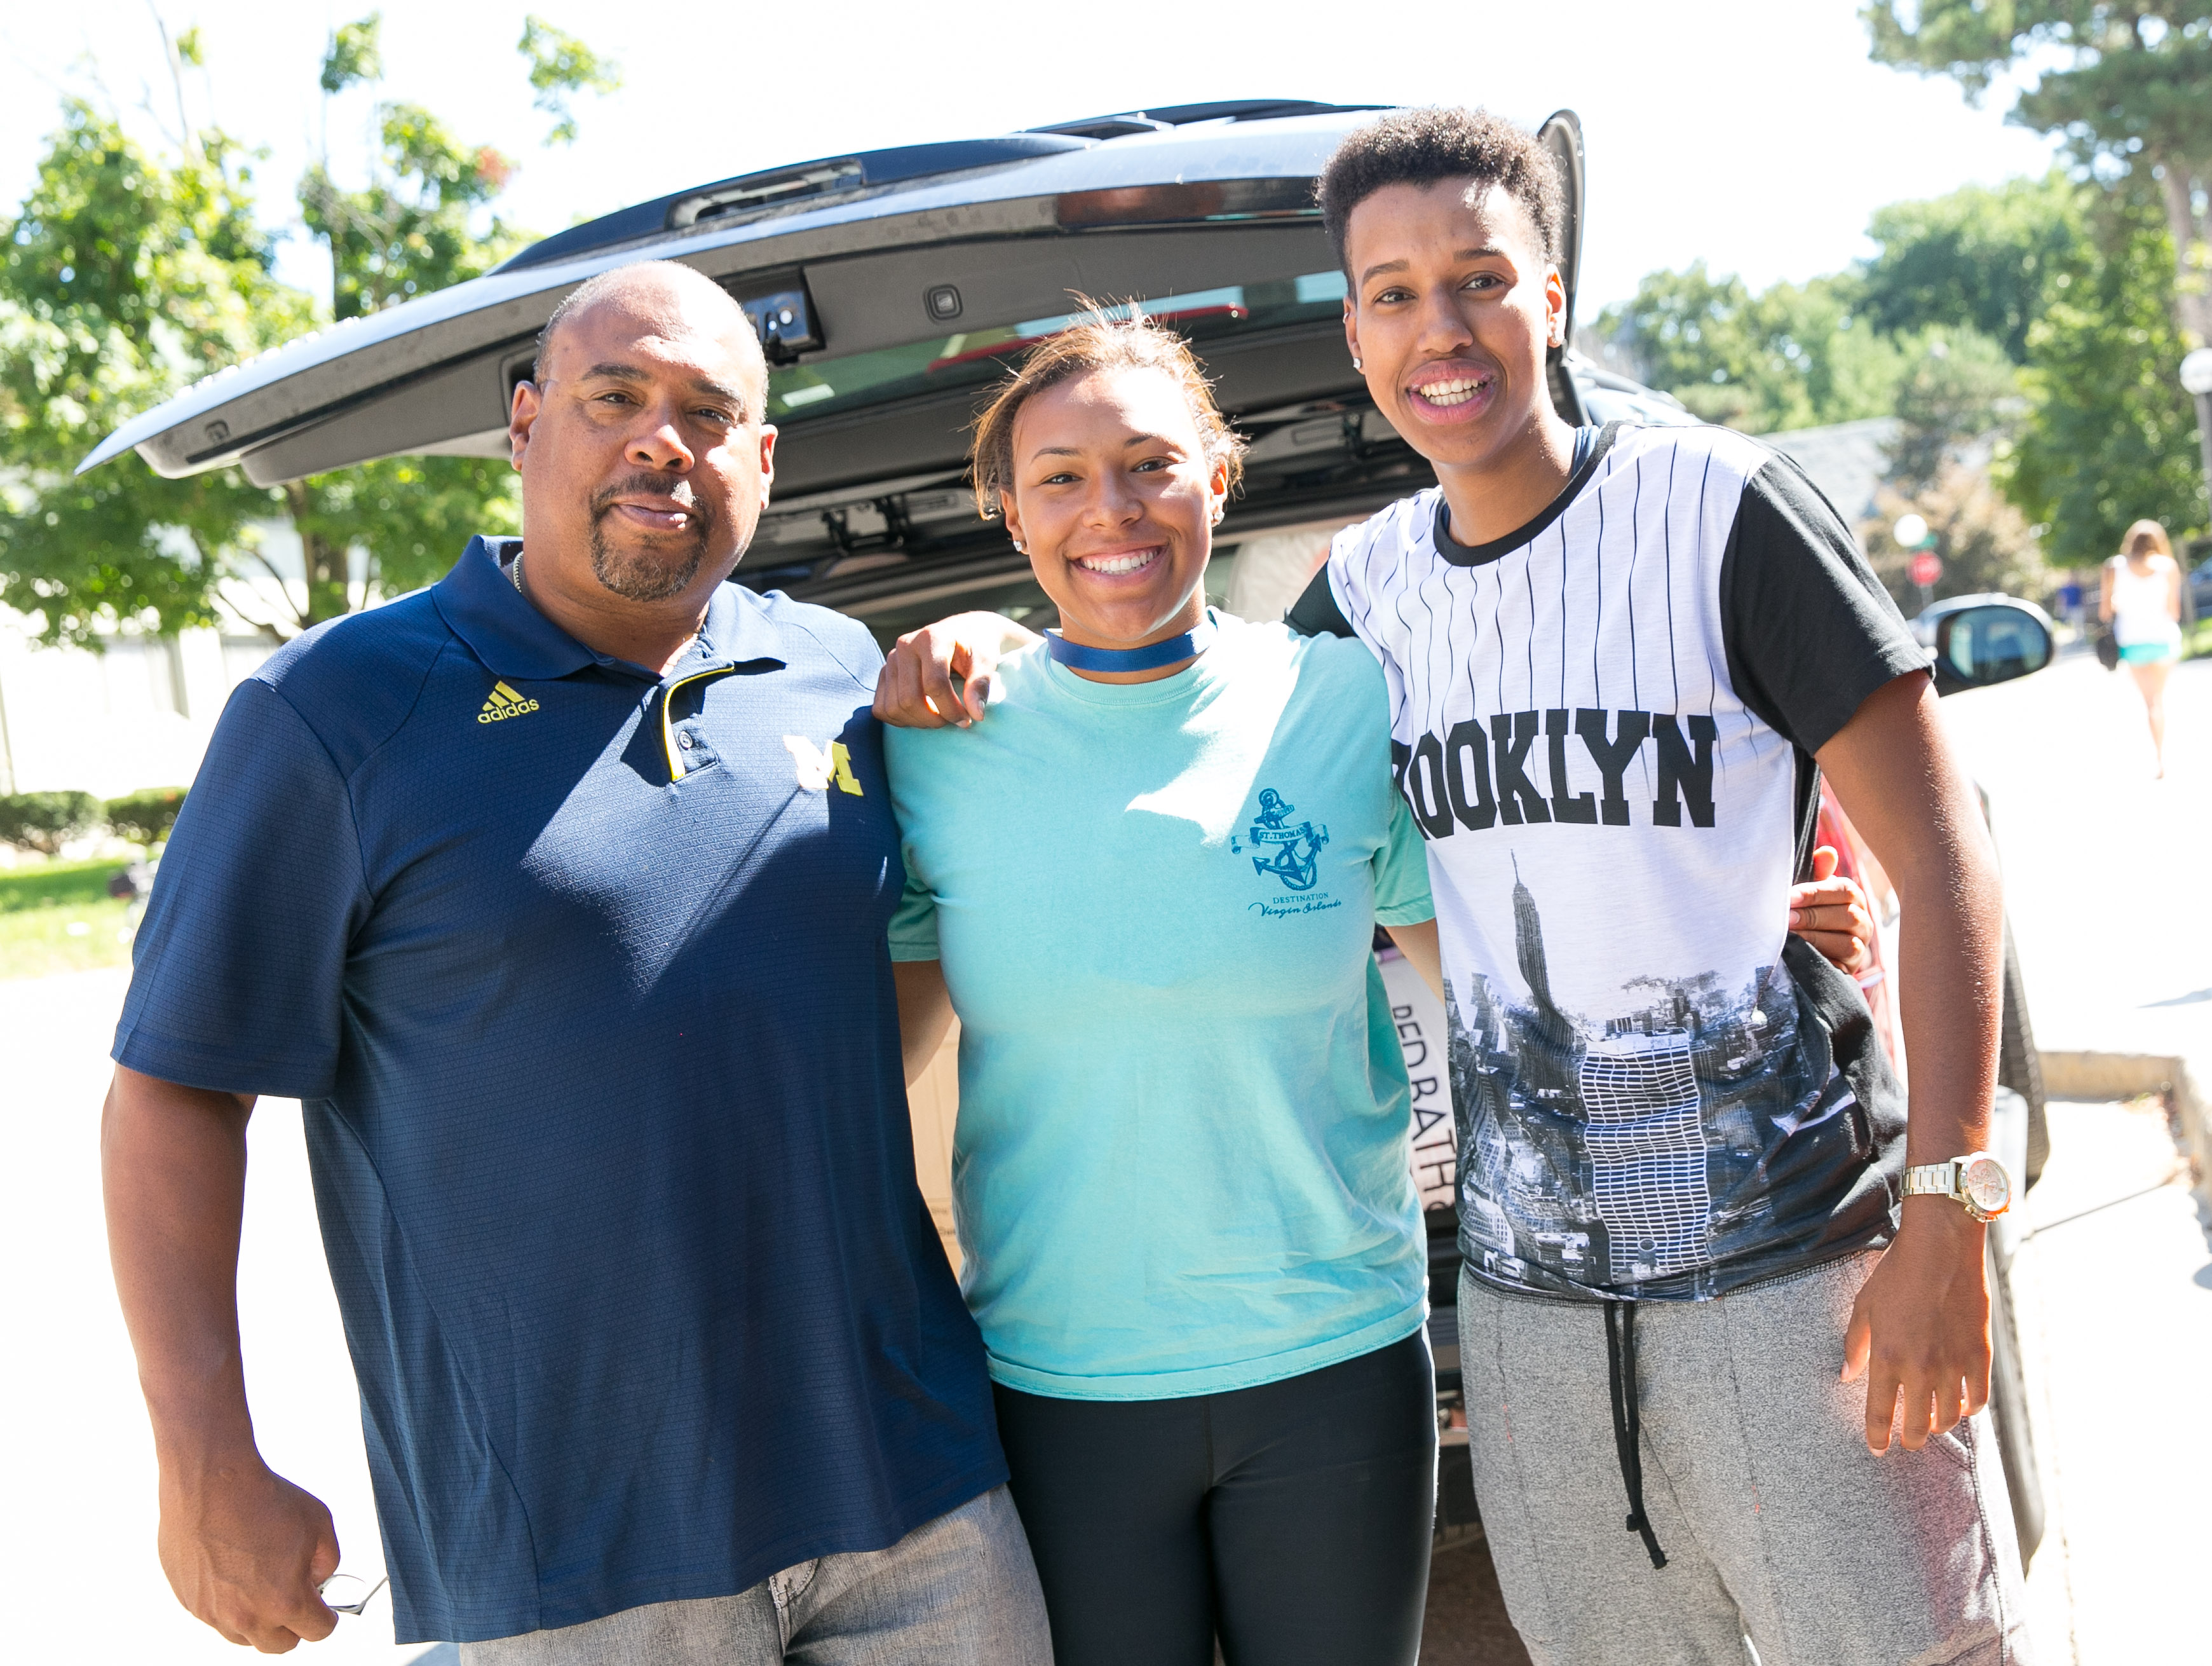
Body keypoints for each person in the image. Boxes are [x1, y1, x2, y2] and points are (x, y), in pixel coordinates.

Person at [883, 107, 2028, 1666]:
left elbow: (1944, 856)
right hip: (1533, 1313)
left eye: (1480, 278)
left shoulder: (1721, 509)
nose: (1443, 327)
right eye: (1395, 292)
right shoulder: (1368, 602)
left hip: (1791, 1273)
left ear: (1551, 292)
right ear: (1353, 329)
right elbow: (1169, 731)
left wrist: (1951, 1211)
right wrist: (976, 648)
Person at [101, 262, 1048, 1663]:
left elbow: (859, 998)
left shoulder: (839, 672)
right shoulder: (338, 710)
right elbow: (173, 1094)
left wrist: (1013, 650)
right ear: (525, 423)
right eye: (617, 396)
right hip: (566, 1557)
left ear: (763, 458)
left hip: (918, 1496)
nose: (662, 437)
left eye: (708, 411)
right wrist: (201, 1456)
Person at [2100, 519, 2183, 777]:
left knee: (2150, 702)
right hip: (2163, 639)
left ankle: (2159, 759)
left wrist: (2121, 604)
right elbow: (2174, 611)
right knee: (2158, 700)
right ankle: (2162, 759)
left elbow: (2105, 612)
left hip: (2133, 641)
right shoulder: (2168, 567)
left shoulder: (2114, 567)